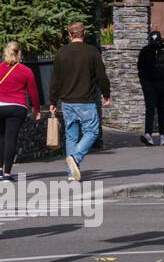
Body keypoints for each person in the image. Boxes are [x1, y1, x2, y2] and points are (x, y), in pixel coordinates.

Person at [49, 22, 110, 182]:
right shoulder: (91, 52)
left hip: (67, 101)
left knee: (71, 136)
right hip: (86, 100)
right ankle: (75, 158)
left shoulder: (61, 53)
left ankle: (71, 173)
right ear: (84, 34)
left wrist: (53, 100)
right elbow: (101, 76)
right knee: (92, 132)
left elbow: (56, 79)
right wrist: (106, 94)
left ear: (70, 35)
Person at [0, 41, 41, 182]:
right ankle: (6, 174)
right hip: (17, 108)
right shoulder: (26, 71)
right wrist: (37, 110)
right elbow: (33, 93)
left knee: (0, 137)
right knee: (10, 139)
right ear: (19, 54)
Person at [136, 30, 164, 146]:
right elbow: (140, 68)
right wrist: (143, 83)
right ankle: (148, 134)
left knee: (162, 110)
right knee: (150, 109)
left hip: (163, 84)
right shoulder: (145, 51)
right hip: (149, 84)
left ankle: (162, 135)